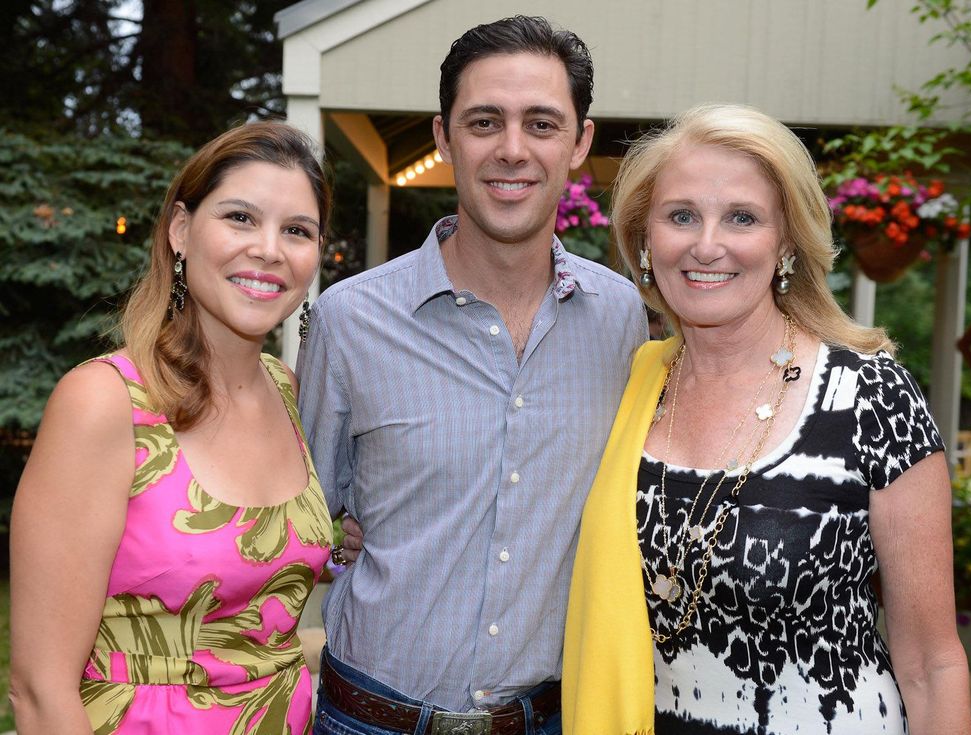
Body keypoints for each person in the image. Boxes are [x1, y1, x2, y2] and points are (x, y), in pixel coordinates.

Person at [562, 104, 971, 735]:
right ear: (645, 239)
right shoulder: (625, 387)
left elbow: (932, 665)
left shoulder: (870, 397)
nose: (707, 245)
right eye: (681, 217)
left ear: (785, 242)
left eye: (742, 218)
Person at [297, 15, 647, 735]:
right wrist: (347, 541)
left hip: (550, 718)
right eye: (484, 121)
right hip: (370, 720)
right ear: (442, 137)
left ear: (579, 143)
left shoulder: (622, 320)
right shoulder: (350, 320)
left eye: (542, 123)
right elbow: (290, 523)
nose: (512, 150)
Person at [9, 121, 334, 734]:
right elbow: (38, 689)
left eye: (297, 230)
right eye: (240, 217)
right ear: (180, 230)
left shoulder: (286, 391)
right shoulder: (104, 402)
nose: (269, 248)